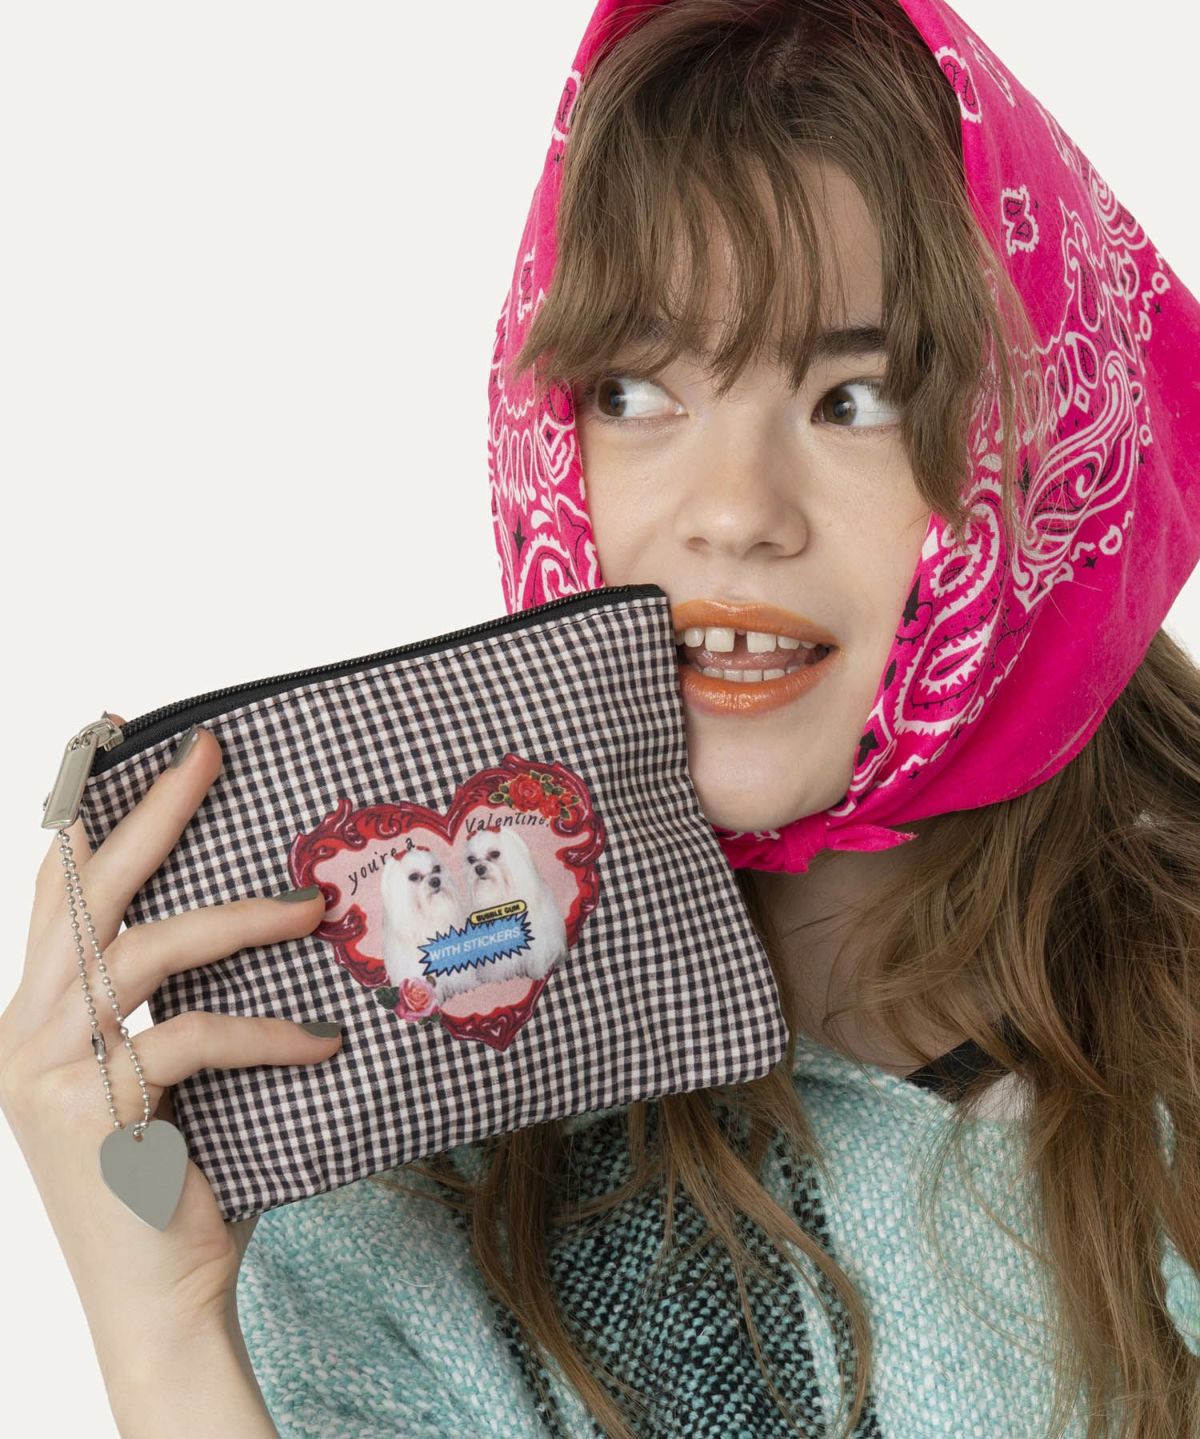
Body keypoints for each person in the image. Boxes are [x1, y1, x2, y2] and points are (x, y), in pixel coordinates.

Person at [5, 1, 1198, 1436]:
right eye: (632, 391)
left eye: (858, 398)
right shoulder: (395, 1181)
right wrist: (163, 1333)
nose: (734, 514)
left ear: (1051, 436)